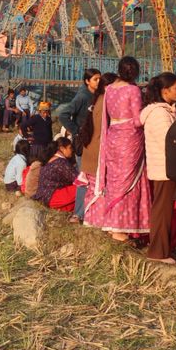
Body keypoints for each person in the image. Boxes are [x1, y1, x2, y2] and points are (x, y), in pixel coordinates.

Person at [83, 57, 150, 241]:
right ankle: (120, 227)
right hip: (129, 140)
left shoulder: (110, 89)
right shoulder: (133, 90)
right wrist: (151, 111)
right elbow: (137, 121)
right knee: (128, 185)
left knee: (114, 183)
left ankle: (111, 224)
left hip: (112, 138)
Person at [140, 72, 176, 264]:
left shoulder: (163, 111)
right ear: (165, 91)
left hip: (164, 168)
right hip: (164, 168)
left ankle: (161, 250)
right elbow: (170, 142)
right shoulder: (159, 114)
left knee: (164, 211)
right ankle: (158, 252)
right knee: (162, 212)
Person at [57, 69, 102, 220]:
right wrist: (77, 131)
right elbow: (63, 115)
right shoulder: (82, 97)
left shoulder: (97, 96)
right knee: (84, 177)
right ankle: (78, 214)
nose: (98, 82)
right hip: (83, 143)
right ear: (87, 81)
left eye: (99, 79)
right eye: (95, 79)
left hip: (93, 142)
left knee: (92, 177)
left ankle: (88, 212)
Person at [79, 72, 117, 226]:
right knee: (99, 190)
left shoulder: (98, 100)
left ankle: (90, 220)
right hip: (97, 154)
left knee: (93, 189)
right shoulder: (105, 103)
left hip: (91, 151)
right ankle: (97, 221)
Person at [33, 137, 79, 211]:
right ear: (62, 148)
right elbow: (77, 179)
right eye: (70, 148)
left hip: (43, 197)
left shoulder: (50, 159)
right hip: (52, 197)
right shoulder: (61, 162)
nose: (72, 150)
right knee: (83, 188)